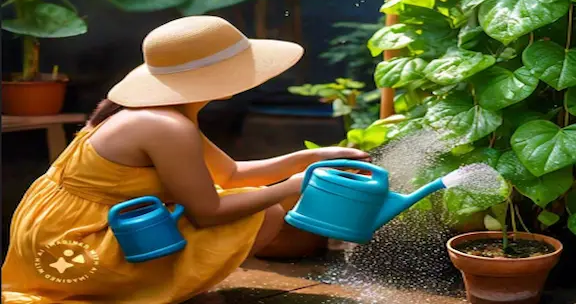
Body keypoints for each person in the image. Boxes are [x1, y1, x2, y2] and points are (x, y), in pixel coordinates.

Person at [1, 16, 369, 304]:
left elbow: (230, 173)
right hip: (79, 251)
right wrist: (294, 186)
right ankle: (148, 291)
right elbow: (206, 211)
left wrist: (314, 157)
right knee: (264, 213)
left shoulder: (159, 112)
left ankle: (158, 284)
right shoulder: (165, 125)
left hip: (53, 239)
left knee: (245, 196)